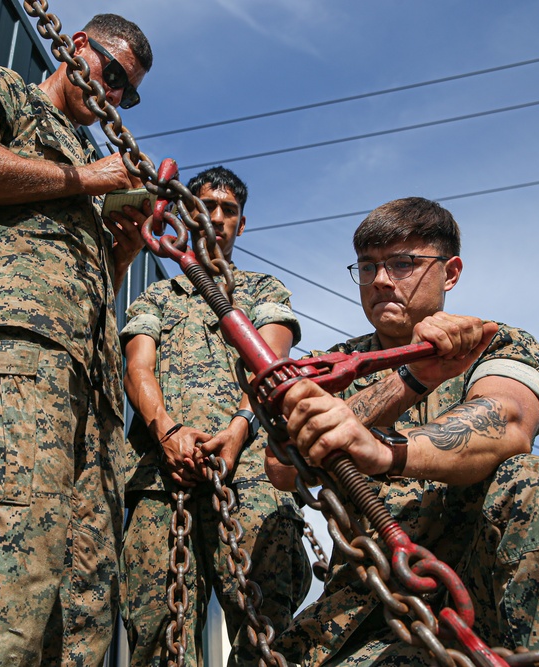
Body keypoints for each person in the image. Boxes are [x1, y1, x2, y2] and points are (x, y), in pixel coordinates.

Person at [0, 14, 153, 667]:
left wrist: (121, 252)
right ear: (77, 48)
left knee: (82, 606)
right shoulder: (4, 92)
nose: (117, 98)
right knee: (0, 583)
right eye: (114, 74)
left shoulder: (82, 156)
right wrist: (87, 181)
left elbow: (84, 277)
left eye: (130, 93)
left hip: (90, 395)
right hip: (11, 352)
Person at [267, 197, 539, 667]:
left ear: (450, 273)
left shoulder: (495, 343)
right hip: (369, 614)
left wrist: (385, 449)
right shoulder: (332, 369)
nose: (381, 280)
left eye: (403, 263)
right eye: (367, 267)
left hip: (485, 596)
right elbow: (281, 465)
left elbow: (507, 418)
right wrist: (409, 381)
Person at [119, 166, 312, 666]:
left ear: (242, 225)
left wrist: (238, 428)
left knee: (265, 634)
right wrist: (166, 430)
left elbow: (272, 366)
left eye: (229, 210)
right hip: (164, 480)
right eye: (207, 207)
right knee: (158, 634)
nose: (218, 218)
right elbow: (138, 368)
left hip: (248, 479)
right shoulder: (158, 297)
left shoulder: (264, 292)